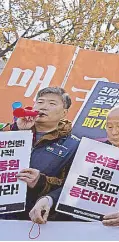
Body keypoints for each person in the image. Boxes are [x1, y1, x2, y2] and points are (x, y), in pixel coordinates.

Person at [29, 105, 119, 227]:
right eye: (109, 127)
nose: (114, 132)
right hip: (80, 225)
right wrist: (48, 200)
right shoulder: (92, 152)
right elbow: (72, 185)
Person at [0, 87, 80, 220]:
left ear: (64, 112)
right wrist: (17, 131)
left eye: (52, 104)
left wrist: (42, 182)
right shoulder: (11, 129)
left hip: (32, 219)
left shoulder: (73, 145)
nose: (44, 107)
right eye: (40, 102)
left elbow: (72, 187)